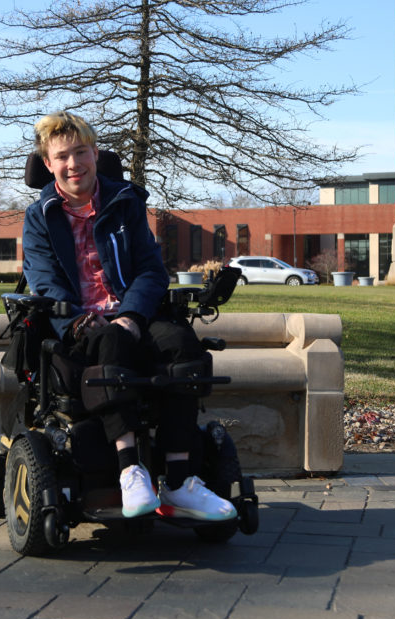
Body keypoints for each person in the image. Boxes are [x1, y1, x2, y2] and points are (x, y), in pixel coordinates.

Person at [22, 111, 236, 522]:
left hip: (132, 313)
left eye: (81, 152)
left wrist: (133, 314)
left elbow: (151, 270)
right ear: (48, 165)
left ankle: (178, 480)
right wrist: (82, 321)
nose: (73, 164)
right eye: (62, 156)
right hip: (81, 322)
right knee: (111, 343)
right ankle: (129, 472)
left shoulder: (125, 202)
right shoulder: (39, 217)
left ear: (95, 153)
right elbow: (45, 282)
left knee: (181, 344)